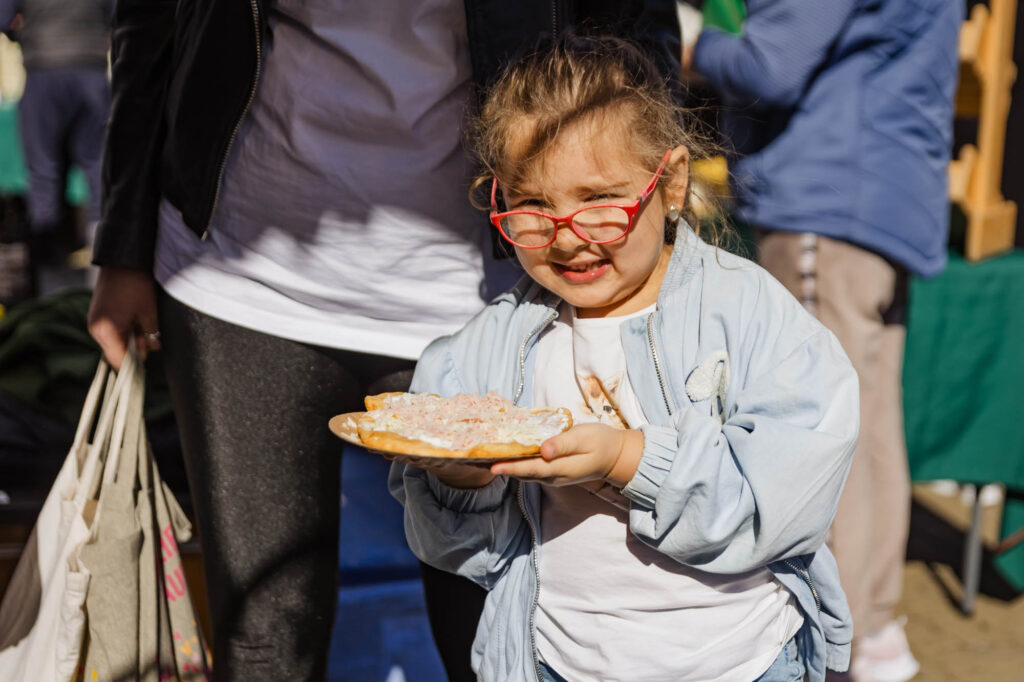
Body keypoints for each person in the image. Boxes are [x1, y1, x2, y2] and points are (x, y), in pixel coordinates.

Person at [85, 0, 681, 679]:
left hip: (486, 294)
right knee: (262, 640)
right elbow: (151, 20)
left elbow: (636, 23)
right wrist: (123, 241)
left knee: (505, 632)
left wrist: (646, 244)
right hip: (240, 277)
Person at [389, 35, 859, 682]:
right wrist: (459, 481)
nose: (568, 238)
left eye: (599, 200)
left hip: (740, 664)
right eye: (533, 206)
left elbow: (784, 503)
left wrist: (628, 460)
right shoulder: (490, 347)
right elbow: (457, 552)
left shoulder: (749, 315)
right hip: (556, 663)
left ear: (671, 183)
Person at [685, 2, 962, 679]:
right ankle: (873, 631)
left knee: (824, 435)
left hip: (828, 200)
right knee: (869, 428)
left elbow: (768, 65)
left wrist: (691, 41)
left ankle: (844, 641)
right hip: (883, 197)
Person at [0, 0, 112, 293]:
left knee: (44, 174)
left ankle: (47, 281)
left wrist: (24, 31)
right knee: (99, 171)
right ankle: (102, 273)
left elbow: (3, 18)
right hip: (90, 70)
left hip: (45, 70)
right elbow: (120, 15)